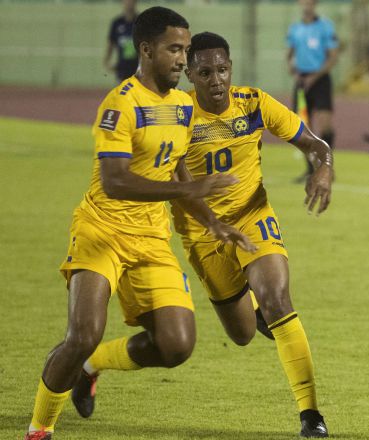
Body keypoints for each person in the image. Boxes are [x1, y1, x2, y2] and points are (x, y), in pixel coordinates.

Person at [23, 8, 252, 440]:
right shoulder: (121, 104)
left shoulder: (184, 106)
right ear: (146, 50)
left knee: (176, 344)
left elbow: (180, 170)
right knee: (83, 333)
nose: (183, 60)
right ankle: (39, 429)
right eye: (174, 49)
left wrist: (212, 221)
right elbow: (115, 181)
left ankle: (91, 370)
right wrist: (187, 193)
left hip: (150, 237)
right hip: (102, 231)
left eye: (185, 50)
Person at [176, 32, 333, 437]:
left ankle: (311, 416)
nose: (216, 80)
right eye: (206, 72)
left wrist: (324, 167)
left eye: (223, 69)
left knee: (278, 298)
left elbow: (314, 143)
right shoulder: (178, 116)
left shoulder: (254, 103)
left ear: (231, 68)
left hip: (253, 217)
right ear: (190, 74)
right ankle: (261, 313)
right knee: (243, 333)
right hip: (204, 233)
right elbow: (171, 182)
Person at [286, 0, 338, 183]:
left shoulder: (325, 27)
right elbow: (289, 54)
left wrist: (314, 77)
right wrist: (293, 70)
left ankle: (326, 166)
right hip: (301, 82)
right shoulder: (295, 29)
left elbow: (333, 57)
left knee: (326, 125)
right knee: (302, 128)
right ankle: (310, 170)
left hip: (320, 80)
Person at [104, 0, 139, 82]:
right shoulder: (117, 23)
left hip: (138, 70)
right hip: (122, 69)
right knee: (122, 92)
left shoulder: (141, 21)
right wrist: (107, 61)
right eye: (126, 1)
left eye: (131, 1)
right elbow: (111, 43)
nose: (129, 3)